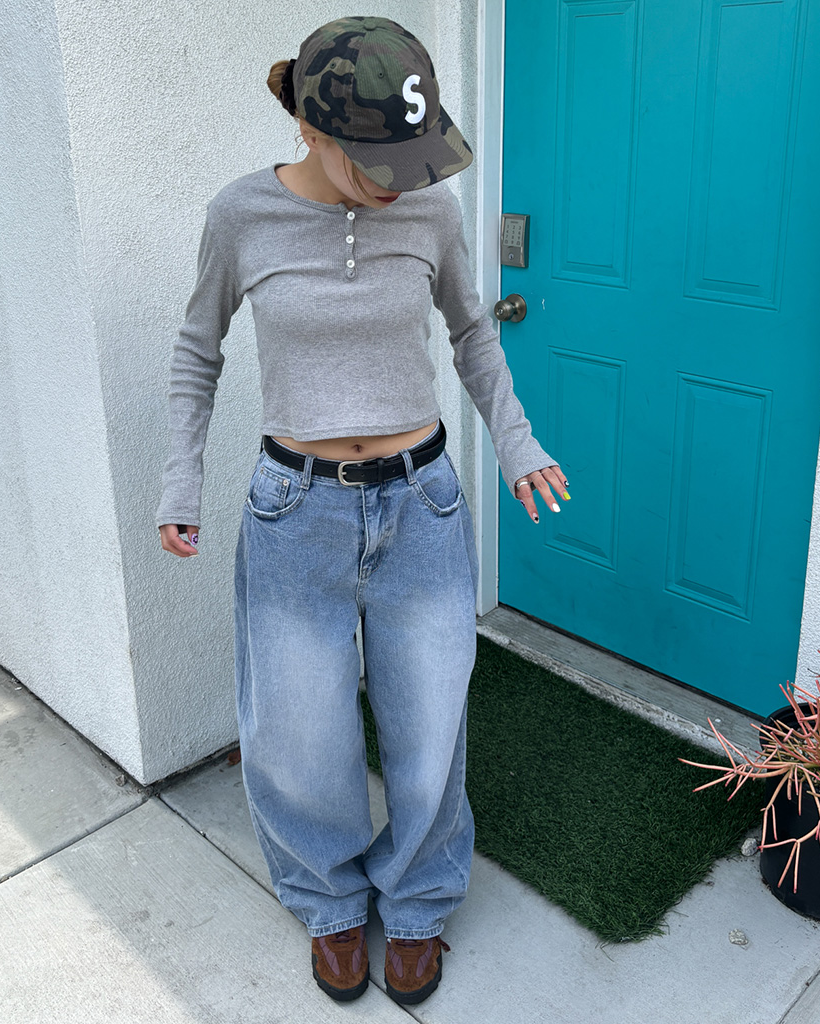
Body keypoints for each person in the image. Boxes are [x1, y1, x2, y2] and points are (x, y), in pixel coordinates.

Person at [157, 15, 568, 1005]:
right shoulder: (240, 217)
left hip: (421, 503)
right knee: (299, 733)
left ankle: (418, 900)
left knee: (428, 724)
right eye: (376, 160)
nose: (399, 182)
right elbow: (197, 350)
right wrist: (180, 477)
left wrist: (516, 442)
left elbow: (473, 334)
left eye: (412, 157)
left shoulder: (431, 212)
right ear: (311, 127)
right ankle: (329, 898)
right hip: (293, 511)